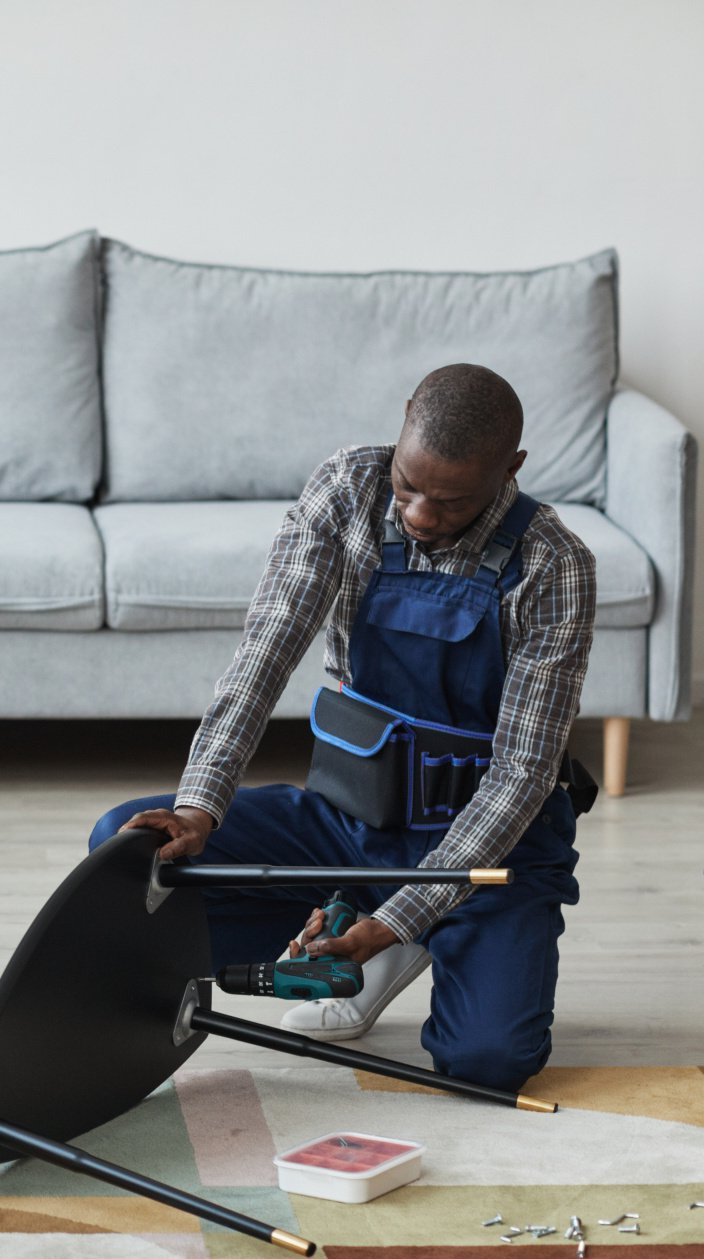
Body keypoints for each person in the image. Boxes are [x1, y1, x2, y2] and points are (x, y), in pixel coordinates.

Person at [91, 364, 595, 1093]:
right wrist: (200, 806)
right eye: (407, 486)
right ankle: (372, 920)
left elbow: (519, 777)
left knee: (486, 1065)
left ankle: (400, 933)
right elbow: (262, 659)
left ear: (510, 468)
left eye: (449, 502)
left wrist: (393, 922)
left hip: (492, 852)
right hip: (355, 824)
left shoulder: (554, 565)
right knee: (128, 848)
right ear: (401, 425)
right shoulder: (347, 489)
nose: (419, 514)